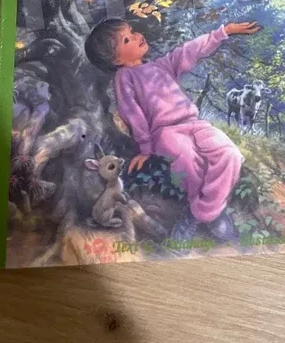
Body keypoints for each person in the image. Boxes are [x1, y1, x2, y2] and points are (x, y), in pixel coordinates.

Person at [85, 18, 260, 241]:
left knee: (230, 154)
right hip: (166, 132)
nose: (137, 36)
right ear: (117, 59)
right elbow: (132, 113)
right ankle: (208, 217)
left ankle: (205, 211)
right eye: (127, 39)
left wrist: (223, 32)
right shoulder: (125, 77)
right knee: (187, 160)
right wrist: (146, 148)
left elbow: (190, 50)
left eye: (132, 31)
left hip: (194, 124)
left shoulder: (161, 66)